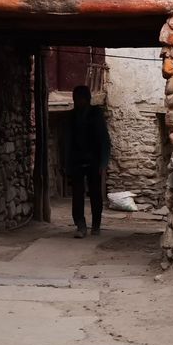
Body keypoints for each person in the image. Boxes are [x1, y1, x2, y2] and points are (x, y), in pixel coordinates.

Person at [64, 84, 110, 238]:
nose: (79, 102)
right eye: (76, 99)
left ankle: (96, 225)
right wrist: (67, 163)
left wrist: (103, 163)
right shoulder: (71, 117)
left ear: (87, 99)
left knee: (95, 194)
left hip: (94, 160)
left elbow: (104, 139)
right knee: (77, 194)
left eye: (81, 99)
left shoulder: (96, 114)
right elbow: (67, 141)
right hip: (77, 160)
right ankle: (80, 225)